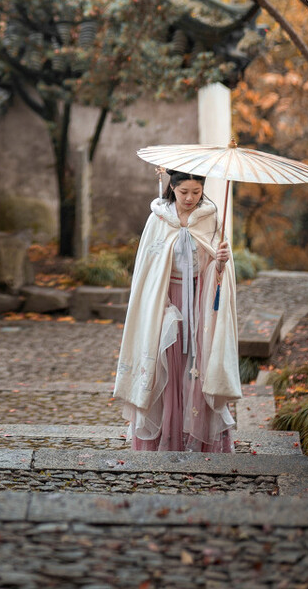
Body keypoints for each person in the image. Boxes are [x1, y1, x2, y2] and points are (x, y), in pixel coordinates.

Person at [112, 169, 241, 452]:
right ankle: (164, 439)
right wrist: (161, 303)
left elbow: (216, 272)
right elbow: (149, 270)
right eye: (184, 192)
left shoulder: (211, 218)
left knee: (197, 367)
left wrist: (220, 263)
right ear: (173, 187)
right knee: (166, 364)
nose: (190, 198)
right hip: (165, 302)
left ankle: (196, 440)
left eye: (196, 192)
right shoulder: (158, 218)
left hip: (199, 302)